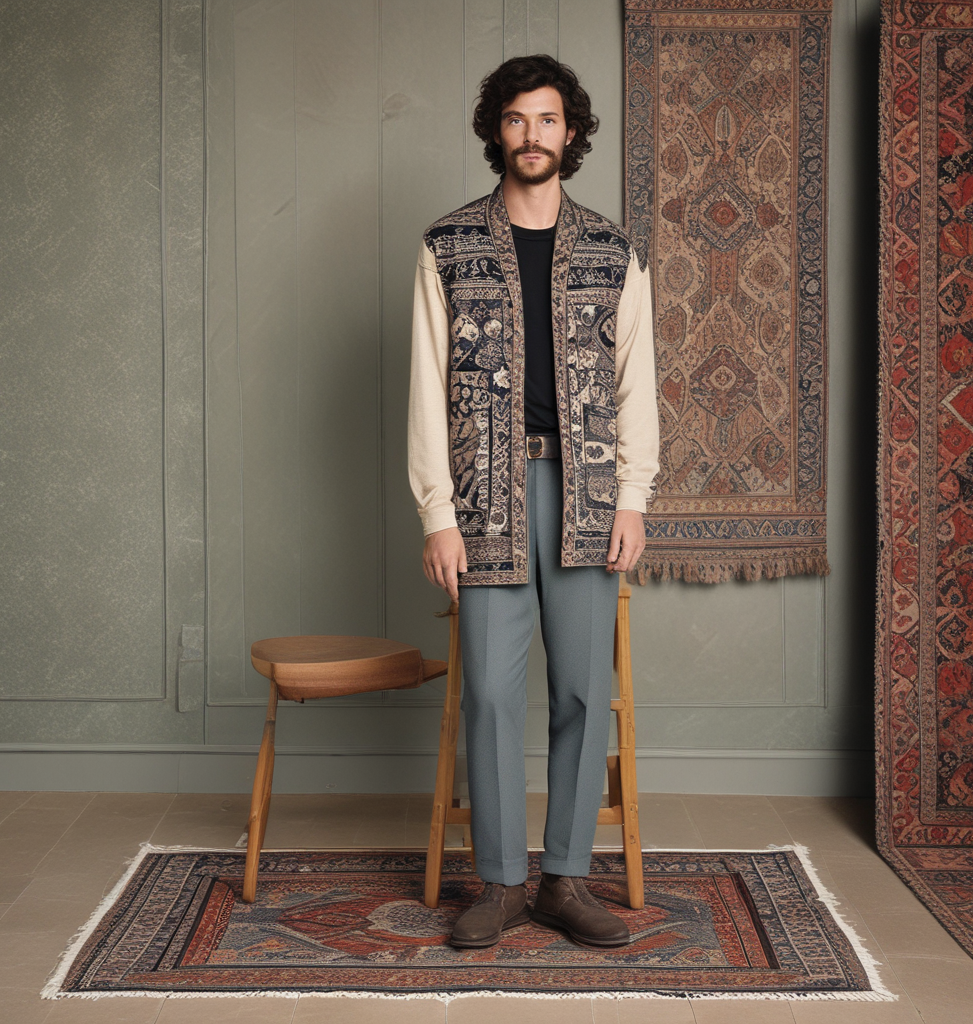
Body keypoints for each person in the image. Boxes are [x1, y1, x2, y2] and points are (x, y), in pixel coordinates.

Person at [407, 54, 659, 950]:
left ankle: (565, 878)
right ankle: (502, 883)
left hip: (589, 492)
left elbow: (638, 384)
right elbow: (427, 384)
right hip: (482, 496)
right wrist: (438, 511)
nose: (532, 136)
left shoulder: (614, 251)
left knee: (585, 690)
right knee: (490, 695)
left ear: (573, 133)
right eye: (516, 120)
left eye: (548, 120)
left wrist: (633, 496)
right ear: (495, 132)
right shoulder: (447, 246)